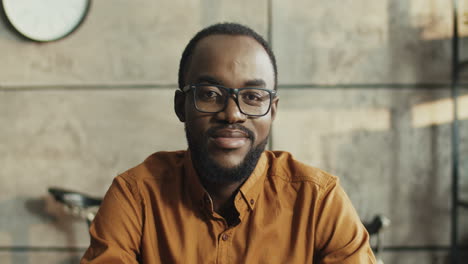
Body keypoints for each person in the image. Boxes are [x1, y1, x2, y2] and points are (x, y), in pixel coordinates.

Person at [81, 22, 376, 264]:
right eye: (210, 94)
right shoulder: (136, 196)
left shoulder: (318, 200)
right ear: (182, 105)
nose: (232, 114)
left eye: (253, 97)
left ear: (272, 110)